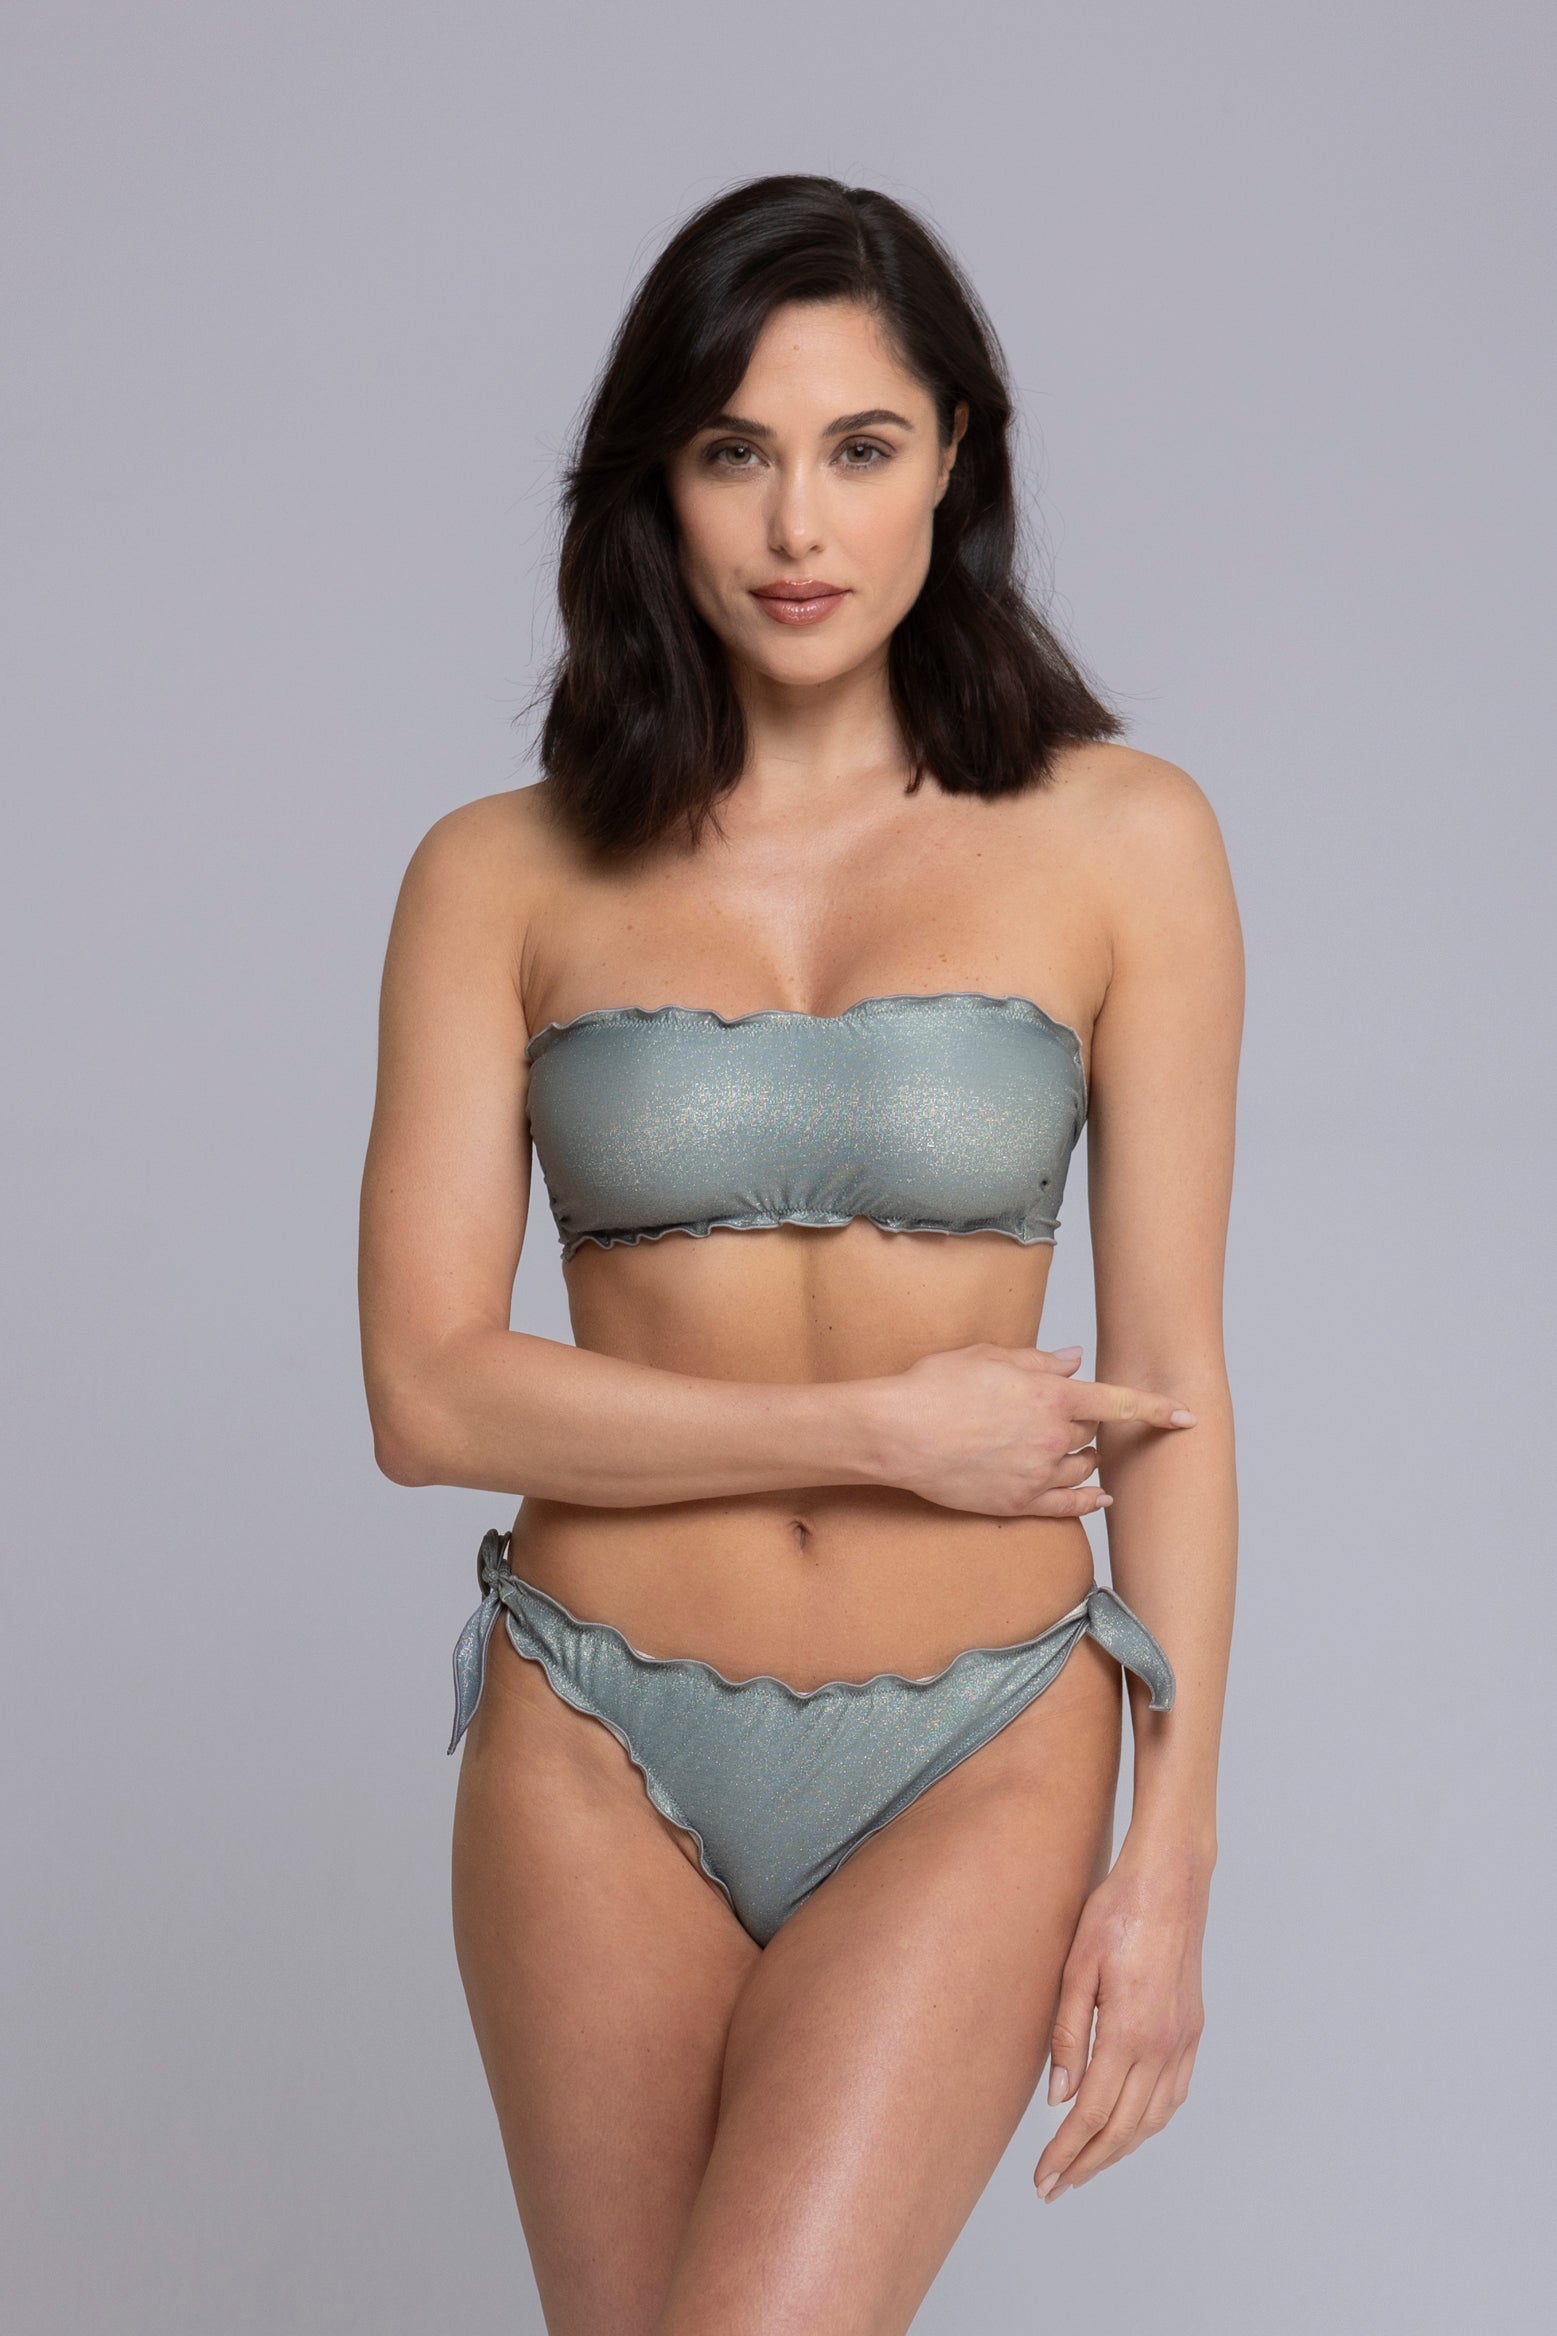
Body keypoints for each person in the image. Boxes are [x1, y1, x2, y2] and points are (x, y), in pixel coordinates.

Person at [358, 172, 1242, 2336]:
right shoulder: (495, 875)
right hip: (591, 1738)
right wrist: (880, 1429)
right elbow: (428, 1396)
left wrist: (1172, 1852)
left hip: (978, 1743)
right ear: (654, 482)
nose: (793, 525)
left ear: (953, 456)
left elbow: (1175, 1382)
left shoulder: (1125, 842)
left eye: (856, 447)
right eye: (731, 451)